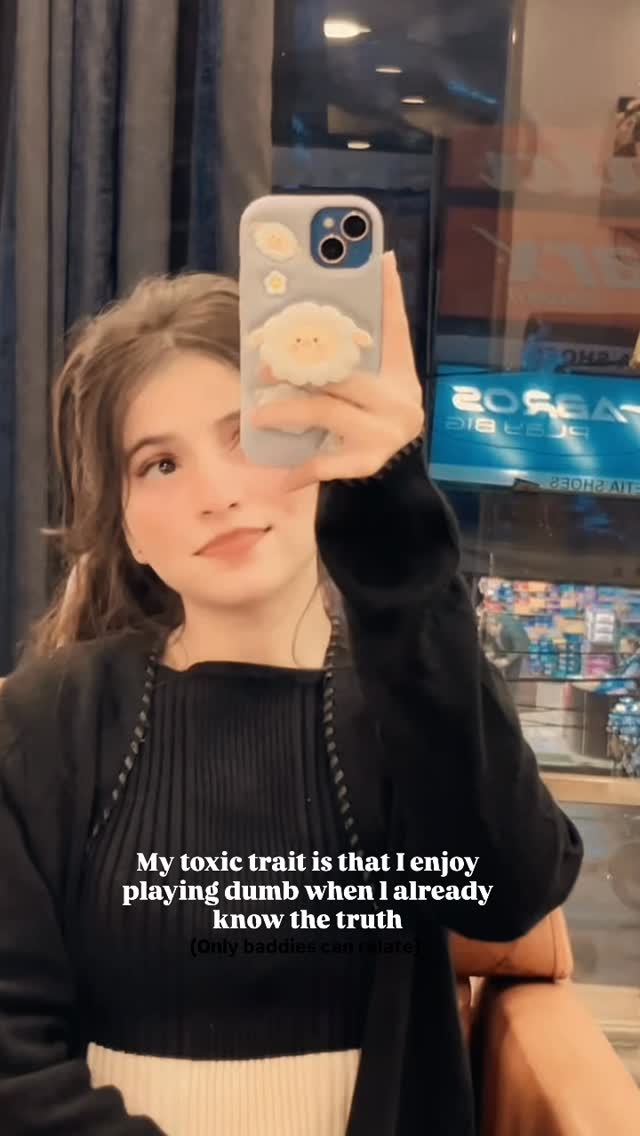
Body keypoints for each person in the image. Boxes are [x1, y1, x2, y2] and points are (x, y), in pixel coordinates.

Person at [0, 256, 583, 1136]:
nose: (216, 493)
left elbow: (506, 894)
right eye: (160, 464)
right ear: (125, 525)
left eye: (249, 435)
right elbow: (12, 1061)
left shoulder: (413, 699)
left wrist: (392, 514)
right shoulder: (48, 720)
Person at [481, 611, 531, 683]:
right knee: (500, 672)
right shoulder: (491, 626)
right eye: (489, 631)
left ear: (499, 626)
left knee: (512, 676)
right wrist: (494, 654)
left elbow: (523, 644)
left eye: (492, 632)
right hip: (506, 646)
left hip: (518, 651)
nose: (491, 634)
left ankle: (511, 686)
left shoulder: (512, 628)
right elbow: (494, 641)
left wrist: (507, 660)